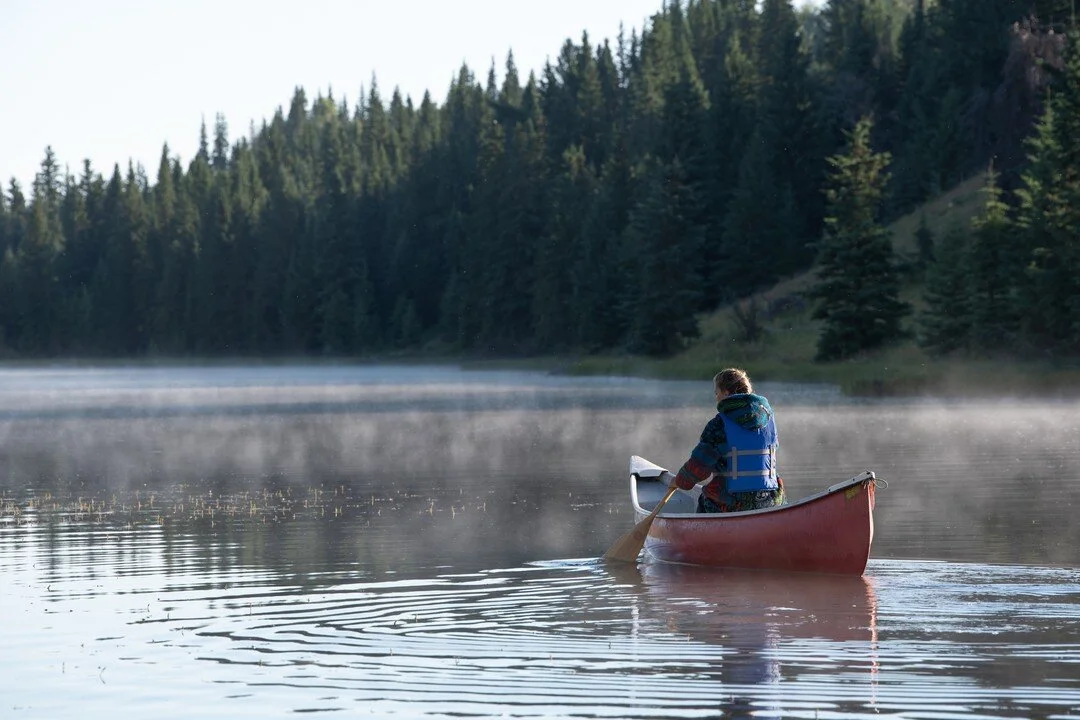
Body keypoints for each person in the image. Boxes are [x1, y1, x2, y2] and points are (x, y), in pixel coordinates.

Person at [669, 368, 785, 513]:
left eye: (717, 393)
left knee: (705, 499)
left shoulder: (718, 424)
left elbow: (699, 467)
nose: (716, 397)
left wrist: (680, 482)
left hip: (732, 503)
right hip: (770, 500)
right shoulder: (769, 420)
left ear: (726, 393)